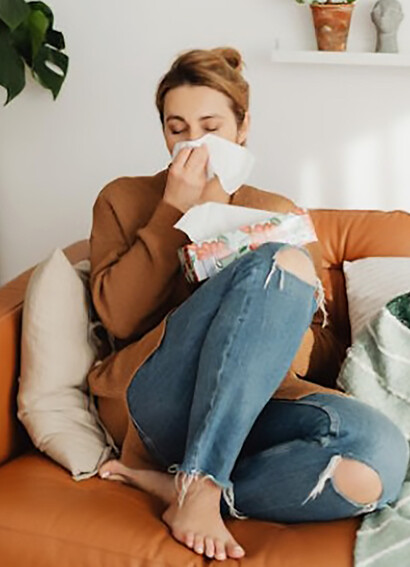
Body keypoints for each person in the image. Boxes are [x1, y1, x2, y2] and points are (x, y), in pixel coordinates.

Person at [88, 47, 409, 562]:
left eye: (210, 126)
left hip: (251, 410)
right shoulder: (123, 198)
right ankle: (201, 484)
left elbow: (320, 355)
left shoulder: (275, 211)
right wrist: (174, 209)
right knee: (275, 264)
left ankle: (189, 490)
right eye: (177, 128)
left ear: (242, 129)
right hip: (154, 400)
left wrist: (267, 310)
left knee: (379, 458)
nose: (193, 142)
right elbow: (120, 318)